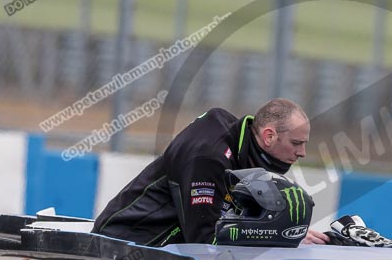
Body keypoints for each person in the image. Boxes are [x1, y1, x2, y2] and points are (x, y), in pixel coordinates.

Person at [92, 98, 330, 246]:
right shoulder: (208, 158)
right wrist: (278, 235)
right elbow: (205, 241)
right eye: (297, 143)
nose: (302, 153)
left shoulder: (244, 143)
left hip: (167, 246)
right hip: (125, 243)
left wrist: (288, 231)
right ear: (269, 136)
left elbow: (250, 217)